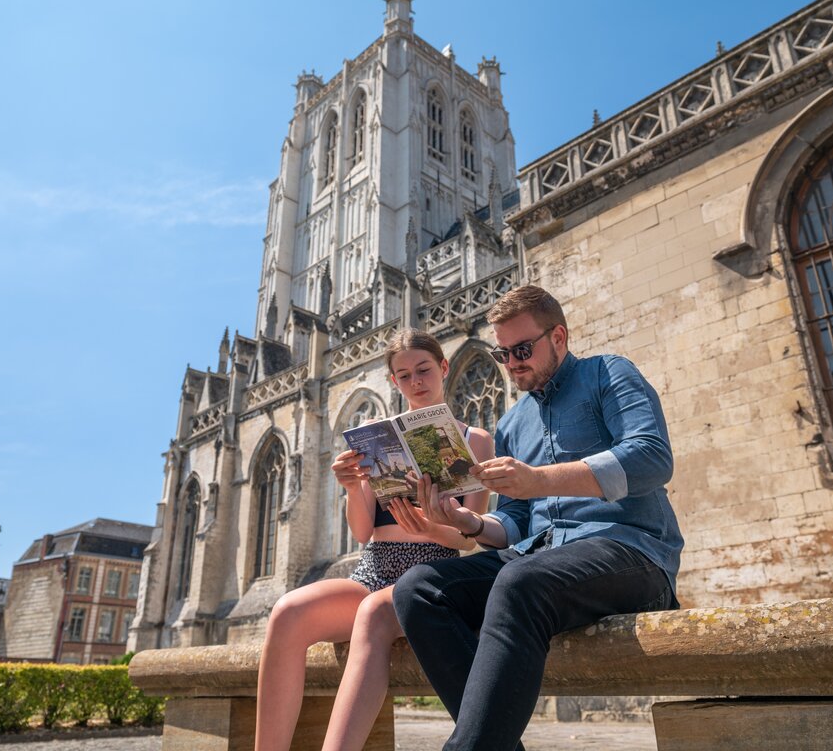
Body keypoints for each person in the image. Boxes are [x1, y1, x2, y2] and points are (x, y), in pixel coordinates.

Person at [393, 284, 683, 751]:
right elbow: (515, 523)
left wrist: (539, 480)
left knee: (519, 581)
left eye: (522, 350)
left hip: (632, 552)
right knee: (418, 589)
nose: (511, 364)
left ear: (559, 338)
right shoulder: (511, 424)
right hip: (540, 559)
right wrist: (467, 523)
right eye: (502, 354)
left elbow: (652, 457)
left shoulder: (608, 373)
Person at [254, 329, 493, 751]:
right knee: (287, 612)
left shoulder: (475, 439)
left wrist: (429, 528)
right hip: (374, 569)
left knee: (372, 613)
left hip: (432, 574)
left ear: (443, 368)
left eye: (423, 370)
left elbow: (469, 538)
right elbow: (362, 532)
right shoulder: (376, 436)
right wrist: (351, 486)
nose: (416, 381)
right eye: (404, 375)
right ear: (394, 381)